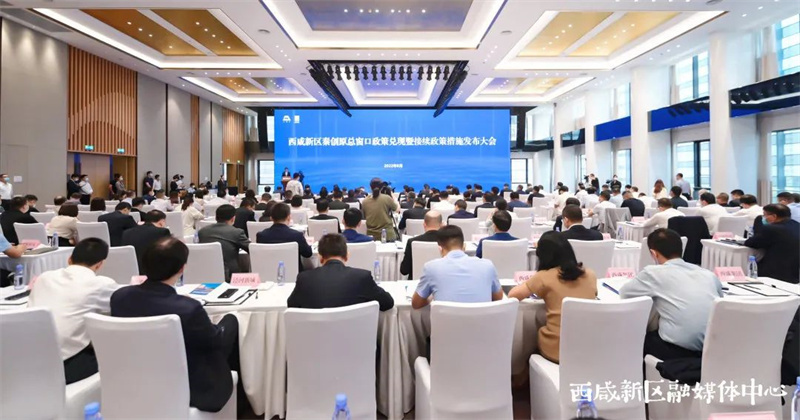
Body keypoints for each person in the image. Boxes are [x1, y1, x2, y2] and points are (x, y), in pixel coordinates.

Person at [110, 237, 239, 413]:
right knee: (232, 321)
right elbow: (215, 342)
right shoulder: (188, 309)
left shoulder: (119, 297)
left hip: (135, 380)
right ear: (181, 268)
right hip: (194, 389)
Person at [620, 229, 723, 360]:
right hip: (714, 348)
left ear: (654, 253)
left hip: (678, 351)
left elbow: (625, 293)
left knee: (637, 338)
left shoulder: (653, 273)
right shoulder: (708, 275)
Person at [28, 238, 118, 384]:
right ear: (100, 264)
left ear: (69, 259)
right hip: (65, 366)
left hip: (26, 359)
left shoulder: (44, 277)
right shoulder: (102, 284)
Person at [508, 231, 597, 363]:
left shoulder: (543, 277)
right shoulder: (590, 274)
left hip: (556, 349)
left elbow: (513, 295)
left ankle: (525, 371)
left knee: (534, 331)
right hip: (588, 347)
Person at [288, 233, 393, 310]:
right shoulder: (362, 277)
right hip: (354, 334)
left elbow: (291, 305)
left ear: (320, 257)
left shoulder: (305, 279)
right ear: (347, 256)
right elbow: (387, 303)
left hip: (316, 334)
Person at [411, 225, 502, 309]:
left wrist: (432, 299)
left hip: (445, 321)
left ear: (440, 249)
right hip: (483, 321)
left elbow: (416, 304)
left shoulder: (431, 268)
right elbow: (498, 298)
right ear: (464, 246)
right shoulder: (488, 266)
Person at [744, 204, 799, 283]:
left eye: (765, 215)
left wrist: (758, 225)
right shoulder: (797, 225)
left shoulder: (771, 228)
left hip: (774, 271)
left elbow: (751, 243)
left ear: (774, 216)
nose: (764, 218)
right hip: (795, 271)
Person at [198, 205, 251, 282]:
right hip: (230, 276)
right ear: (233, 218)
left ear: (216, 218)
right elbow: (252, 249)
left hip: (205, 273)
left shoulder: (202, 231)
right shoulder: (237, 232)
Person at [256, 203, 313, 270]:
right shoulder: (297, 235)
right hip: (294, 273)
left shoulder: (261, 236)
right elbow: (308, 253)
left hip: (268, 272)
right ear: (289, 217)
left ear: (271, 218)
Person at [400, 211, 442, 279]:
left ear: (424, 224)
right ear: (441, 225)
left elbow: (404, 270)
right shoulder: (447, 242)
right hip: (440, 282)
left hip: (416, 283)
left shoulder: (412, 242)